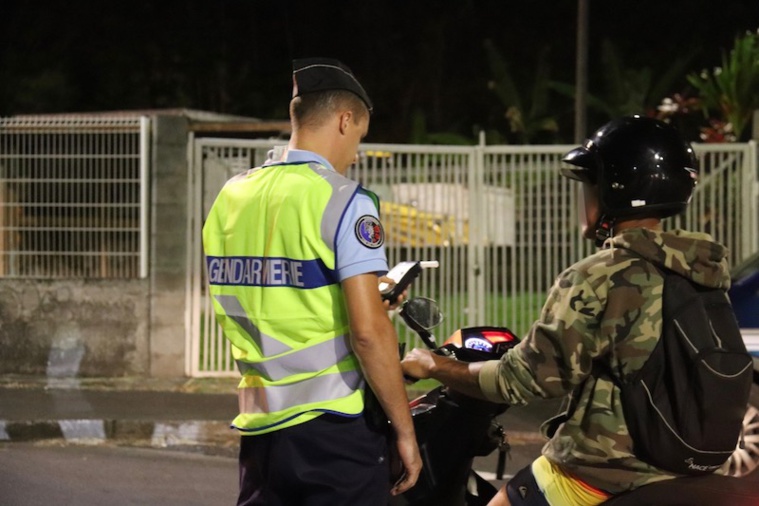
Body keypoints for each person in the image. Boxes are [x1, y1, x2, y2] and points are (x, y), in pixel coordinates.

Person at [401, 116, 731, 505]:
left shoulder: (600, 275)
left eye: (589, 185)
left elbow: (527, 380)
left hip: (603, 472)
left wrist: (434, 366)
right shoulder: (703, 272)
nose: (583, 199)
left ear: (613, 191)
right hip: (688, 470)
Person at [202, 57, 421, 505]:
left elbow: (273, 288)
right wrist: (405, 431)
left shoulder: (231, 195)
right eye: (359, 136)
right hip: (333, 429)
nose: (356, 153)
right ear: (344, 120)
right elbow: (367, 334)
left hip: (260, 427)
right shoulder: (345, 201)